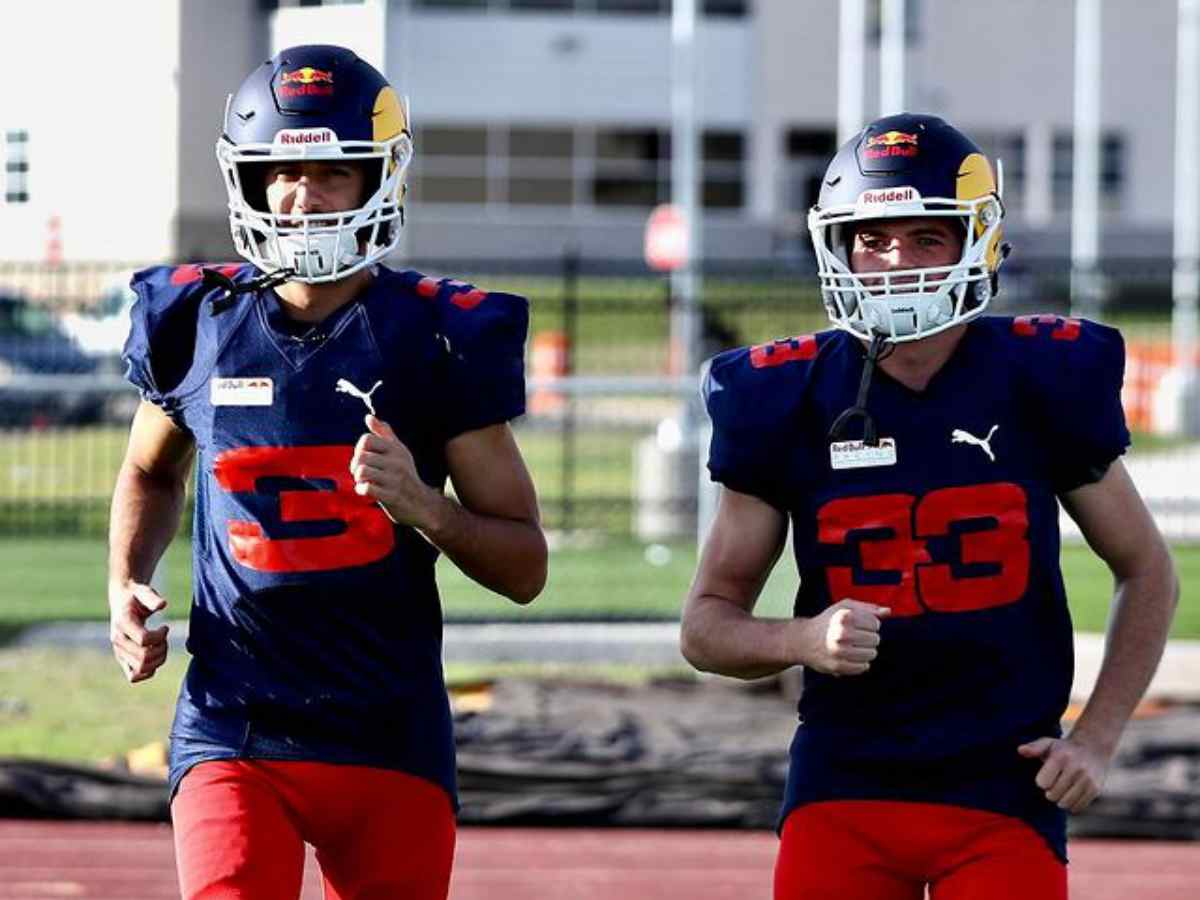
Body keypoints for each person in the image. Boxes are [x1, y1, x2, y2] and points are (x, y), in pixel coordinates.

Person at [680, 113, 1179, 900]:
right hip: (845, 782)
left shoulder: (1041, 377)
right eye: (874, 239)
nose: (895, 262)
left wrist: (1099, 736)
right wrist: (803, 637)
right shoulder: (783, 394)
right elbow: (705, 628)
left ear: (975, 242)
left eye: (926, 238)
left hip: (1006, 785)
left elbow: (1147, 567)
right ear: (839, 246)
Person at [107, 44, 547, 900]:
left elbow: (525, 566)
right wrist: (126, 578)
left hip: (387, 732)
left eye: (331, 172)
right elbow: (149, 472)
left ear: (381, 177)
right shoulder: (199, 320)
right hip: (234, 725)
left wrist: (427, 507)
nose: (302, 196)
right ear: (250, 179)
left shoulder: (437, 335)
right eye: (282, 171)